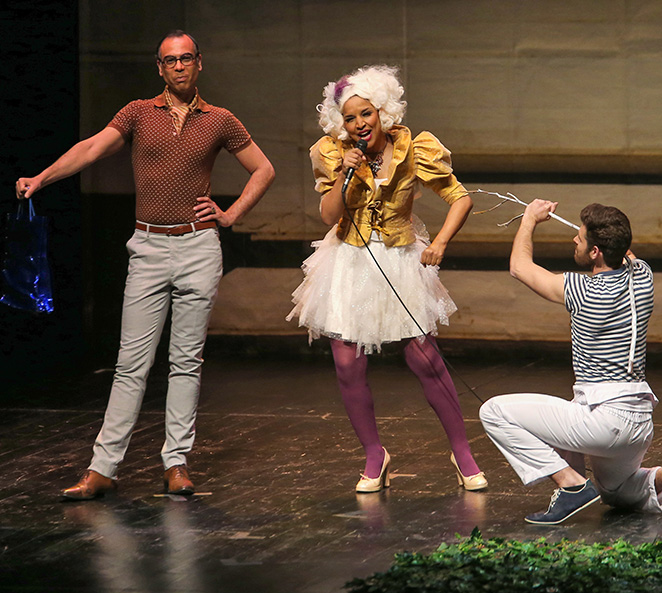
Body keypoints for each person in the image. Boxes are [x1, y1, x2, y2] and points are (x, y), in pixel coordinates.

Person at [15, 30, 275, 500]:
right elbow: (91, 148)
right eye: (170, 60)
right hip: (149, 247)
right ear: (159, 67)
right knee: (130, 363)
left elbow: (264, 168)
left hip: (198, 247)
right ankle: (103, 468)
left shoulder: (220, 119)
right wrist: (42, 177)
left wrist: (232, 214)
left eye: (186, 58)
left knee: (186, 361)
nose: (179, 66)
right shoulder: (138, 112)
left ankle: (176, 463)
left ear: (199, 63)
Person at [287, 65, 486, 493]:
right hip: (348, 261)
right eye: (350, 118)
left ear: (382, 111)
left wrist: (441, 242)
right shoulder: (333, 153)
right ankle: (374, 454)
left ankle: (462, 451)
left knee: (424, 359)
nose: (360, 124)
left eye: (367, 114)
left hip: (398, 258)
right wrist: (345, 174)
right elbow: (328, 216)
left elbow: (460, 198)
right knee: (347, 364)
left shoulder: (414, 148)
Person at [479, 199, 662, 524]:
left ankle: (571, 486)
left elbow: (519, 266)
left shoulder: (582, 290)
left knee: (493, 411)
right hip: (639, 422)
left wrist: (529, 218)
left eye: (580, 237)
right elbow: (625, 252)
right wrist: (606, 235)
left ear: (596, 251)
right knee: (615, 492)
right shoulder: (643, 276)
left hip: (604, 422)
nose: (574, 239)